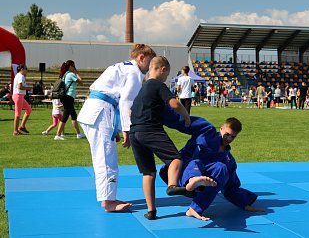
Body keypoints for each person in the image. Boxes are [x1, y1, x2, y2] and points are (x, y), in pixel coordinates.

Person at [77, 44, 156, 212]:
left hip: (98, 111)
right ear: (141, 57)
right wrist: (127, 129)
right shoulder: (134, 71)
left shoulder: (122, 67)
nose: (150, 68)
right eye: (149, 62)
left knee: (105, 157)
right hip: (101, 112)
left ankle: (108, 198)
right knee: (106, 159)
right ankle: (108, 202)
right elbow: (126, 102)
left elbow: (119, 101)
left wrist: (117, 127)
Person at [130, 56, 205, 220]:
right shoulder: (157, 84)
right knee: (176, 159)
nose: (166, 78)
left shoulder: (142, 89)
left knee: (148, 173)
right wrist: (186, 116)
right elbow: (174, 104)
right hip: (150, 129)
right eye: (167, 75)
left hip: (135, 132)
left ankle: (151, 211)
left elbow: (131, 111)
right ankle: (172, 186)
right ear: (162, 69)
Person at [161, 111, 265, 221]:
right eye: (227, 134)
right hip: (183, 172)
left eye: (233, 137)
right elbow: (184, 122)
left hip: (201, 183)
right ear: (221, 128)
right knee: (196, 163)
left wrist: (244, 203)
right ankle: (192, 181)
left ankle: (195, 208)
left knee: (221, 168)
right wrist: (160, 114)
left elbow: (231, 187)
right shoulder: (206, 131)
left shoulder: (228, 159)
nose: (229, 139)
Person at [54, 60, 85, 140]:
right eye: (74, 66)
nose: (75, 67)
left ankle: (78, 134)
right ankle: (58, 135)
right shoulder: (71, 74)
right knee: (65, 116)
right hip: (68, 97)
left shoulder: (65, 74)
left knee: (74, 116)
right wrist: (77, 73)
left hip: (66, 97)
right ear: (71, 66)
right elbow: (81, 82)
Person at [12, 64, 32, 136]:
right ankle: (15, 131)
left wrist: (26, 88)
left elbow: (20, 86)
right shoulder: (21, 76)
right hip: (18, 96)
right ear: (22, 69)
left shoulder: (19, 75)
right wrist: (28, 88)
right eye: (26, 68)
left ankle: (22, 127)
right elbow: (20, 87)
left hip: (19, 96)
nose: (27, 70)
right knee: (17, 114)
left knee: (29, 109)